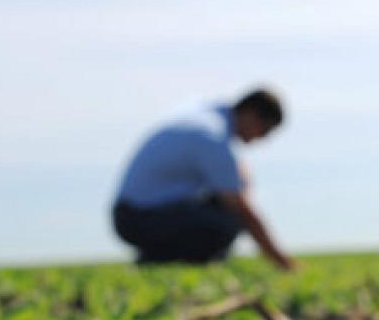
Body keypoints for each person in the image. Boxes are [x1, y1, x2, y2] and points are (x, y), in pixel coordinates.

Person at [112, 88, 296, 270]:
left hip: (133, 213)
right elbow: (242, 209)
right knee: (227, 222)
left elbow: (236, 171)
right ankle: (158, 260)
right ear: (250, 114)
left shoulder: (208, 118)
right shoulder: (212, 138)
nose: (261, 138)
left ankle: (159, 257)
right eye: (264, 130)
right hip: (138, 218)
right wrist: (281, 261)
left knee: (221, 210)